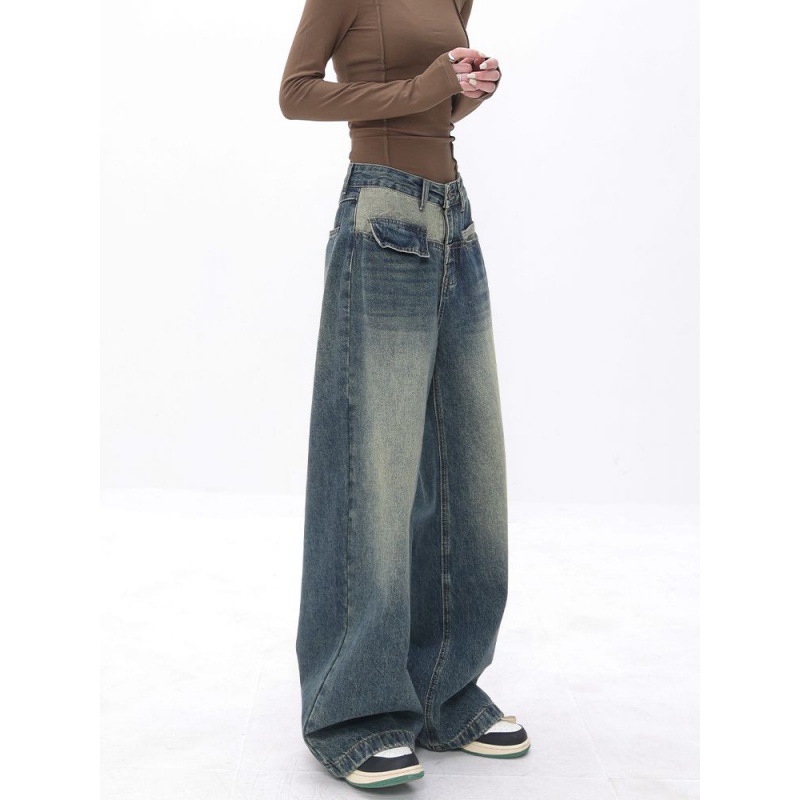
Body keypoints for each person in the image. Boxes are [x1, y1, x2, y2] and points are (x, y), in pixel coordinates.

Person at [278, 0, 530, 788]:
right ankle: (351, 713)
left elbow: (431, 108)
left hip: (453, 217)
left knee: (468, 469)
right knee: (374, 477)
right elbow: (295, 93)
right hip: (382, 216)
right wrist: (423, 87)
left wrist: (465, 92)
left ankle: (443, 692)